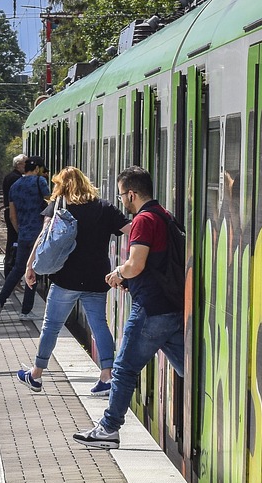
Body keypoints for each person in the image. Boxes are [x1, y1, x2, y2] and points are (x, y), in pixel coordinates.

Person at [75, 167, 184, 449]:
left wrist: (119, 274)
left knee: (123, 369)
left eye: (122, 195)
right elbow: (156, 263)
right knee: (188, 366)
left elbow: (136, 264)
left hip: (150, 309)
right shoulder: (163, 215)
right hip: (170, 308)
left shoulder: (143, 220)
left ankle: (109, 428)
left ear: (132, 194)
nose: (122, 200)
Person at [14, 166, 120, 394]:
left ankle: (36, 375)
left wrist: (30, 265)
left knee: (51, 326)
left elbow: (44, 237)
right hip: (96, 277)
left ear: (61, 186)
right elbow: (132, 229)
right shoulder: (104, 207)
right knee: (99, 324)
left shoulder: (59, 207)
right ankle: (107, 377)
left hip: (66, 278)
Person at [0, 156, 49, 320]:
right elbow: (50, 201)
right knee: (33, 270)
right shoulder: (40, 182)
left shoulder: (15, 186)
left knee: (18, 269)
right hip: (39, 233)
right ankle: (25, 311)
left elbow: (12, 215)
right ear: (37, 169)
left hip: (23, 233)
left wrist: (20, 230)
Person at [0, 153, 26, 278]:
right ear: (19, 164)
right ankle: (11, 273)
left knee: (12, 242)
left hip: (10, 211)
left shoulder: (10, 176)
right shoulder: (16, 178)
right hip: (13, 212)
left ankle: (10, 273)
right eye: (26, 163)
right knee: (14, 243)